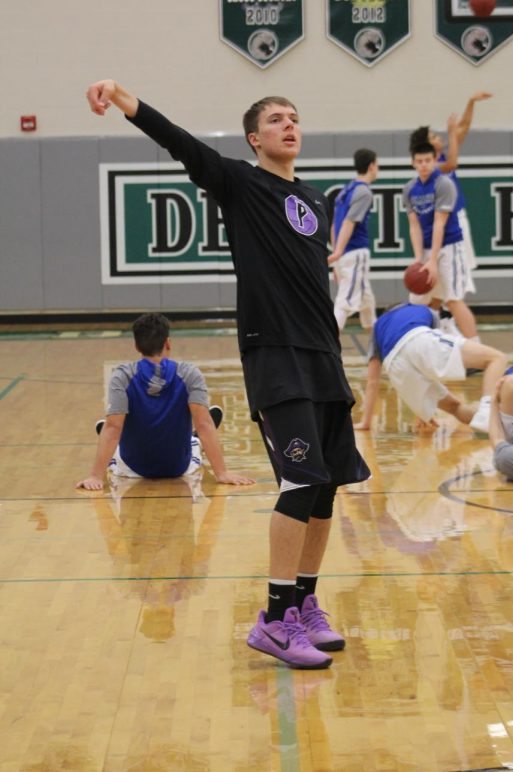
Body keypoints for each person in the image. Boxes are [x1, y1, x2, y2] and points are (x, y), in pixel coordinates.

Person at [86, 80, 371, 671]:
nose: (289, 125)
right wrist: (121, 96)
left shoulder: (317, 199)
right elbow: (178, 141)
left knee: (325, 489)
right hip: (276, 356)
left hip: (323, 356)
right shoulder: (241, 183)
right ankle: (271, 619)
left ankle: (304, 606)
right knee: (297, 484)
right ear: (254, 137)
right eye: (275, 119)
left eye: (294, 117)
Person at [76, 312, 255, 490]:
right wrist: (222, 473)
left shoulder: (122, 376)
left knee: (114, 433)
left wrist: (95, 476)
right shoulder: (189, 373)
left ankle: (117, 443)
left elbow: (113, 427)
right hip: (178, 468)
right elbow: (204, 424)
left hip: (132, 469)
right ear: (168, 342)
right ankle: (195, 440)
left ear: (136, 345)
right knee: (194, 444)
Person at [354, 302, 506, 432]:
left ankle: (501, 425)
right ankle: (488, 410)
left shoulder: (377, 328)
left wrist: (366, 423)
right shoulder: (423, 310)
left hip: (395, 368)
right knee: (496, 358)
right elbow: (428, 358)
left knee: (454, 408)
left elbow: (372, 382)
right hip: (418, 339)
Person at [403, 132, 479, 340]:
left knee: (453, 300)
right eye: (419, 161)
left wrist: (433, 260)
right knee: (423, 302)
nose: (424, 165)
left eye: (428, 160)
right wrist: (419, 259)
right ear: (413, 163)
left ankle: (477, 349)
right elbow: (414, 226)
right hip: (427, 248)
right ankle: (432, 345)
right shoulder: (409, 189)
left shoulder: (444, 184)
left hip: (449, 247)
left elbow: (440, 223)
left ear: (435, 160)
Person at [410, 92, 492, 280]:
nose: (439, 137)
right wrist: (451, 133)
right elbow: (453, 163)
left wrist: (471, 102)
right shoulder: (432, 167)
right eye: (433, 136)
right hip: (445, 225)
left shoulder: (442, 155)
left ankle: (446, 306)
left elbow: (462, 129)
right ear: (427, 145)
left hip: (454, 219)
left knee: (456, 275)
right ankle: (449, 306)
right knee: (450, 278)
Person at [328, 148, 378, 332]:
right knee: (344, 303)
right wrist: (339, 252)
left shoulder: (345, 190)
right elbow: (349, 222)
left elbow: (334, 225)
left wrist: (336, 257)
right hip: (355, 253)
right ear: (372, 166)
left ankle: (377, 353)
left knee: (367, 305)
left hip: (345, 254)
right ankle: (325, 350)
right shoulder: (364, 192)